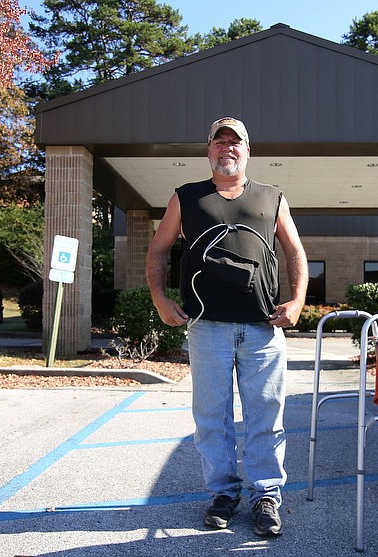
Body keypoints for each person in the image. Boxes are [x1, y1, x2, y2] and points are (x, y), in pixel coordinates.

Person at [146, 116, 308, 537]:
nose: (227, 148)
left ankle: (266, 496)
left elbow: (295, 252)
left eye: (235, 142)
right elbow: (159, 249)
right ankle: (222, 494)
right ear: (209, 151)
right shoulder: (187, 197)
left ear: (247, 150)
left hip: (262, 328)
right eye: (219, 142)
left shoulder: (271, 197)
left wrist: (297, 300)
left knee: (265, 416)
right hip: (207, 328)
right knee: (211, 417)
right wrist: (160, 299)